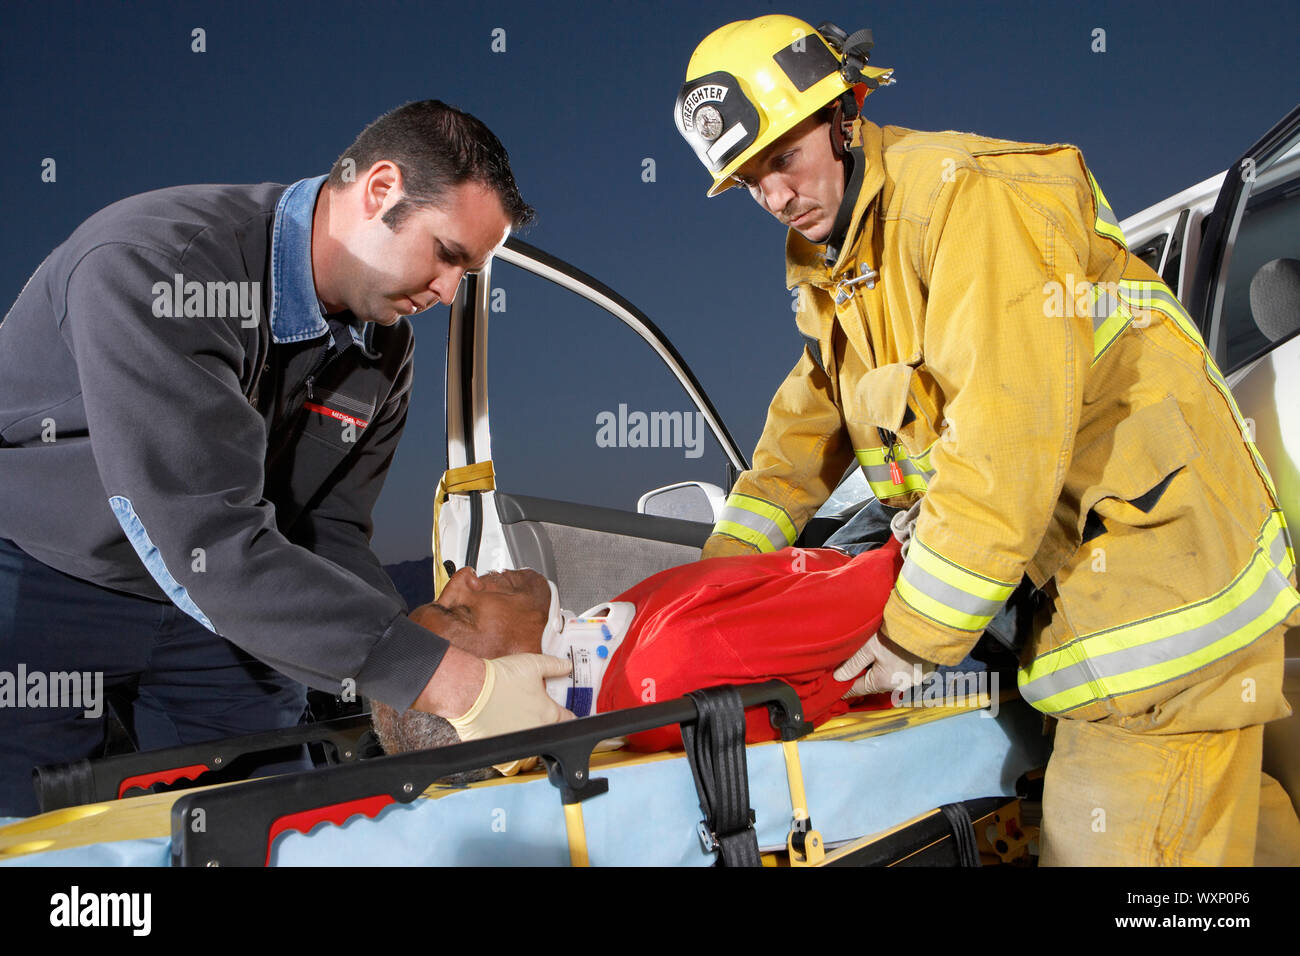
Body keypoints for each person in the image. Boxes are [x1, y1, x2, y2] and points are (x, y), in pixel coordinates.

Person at [671, 15, 1300, 865]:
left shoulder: (966, 200)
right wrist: (708, 594)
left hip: (1156, 604)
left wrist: (910, 638)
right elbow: (796, 447)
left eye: (783, 158)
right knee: (1231, 841)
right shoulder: (848, 274)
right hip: (1113, 603)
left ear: (845, 117)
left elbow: (1004, 447)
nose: (776, 196)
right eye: (750, 179)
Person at [0, 100, 570, 817]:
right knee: (33, 823)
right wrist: (450, 681)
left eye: (470, 274)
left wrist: (407, 670)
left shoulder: (384, 348)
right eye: (448, 255)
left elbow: (327, 530)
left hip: (232, 590)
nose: (448, 292)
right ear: (380, 189)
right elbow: (202, 536)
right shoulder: (159, 267)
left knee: (284, 813)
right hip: (46, 573)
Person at [373, 518, 917, 762]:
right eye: (460, 611)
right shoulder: (676, 656)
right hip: (902, 593)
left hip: (835, 563)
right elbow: (887, 594)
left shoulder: (624, 663)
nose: (463, 574)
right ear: (510, 682)